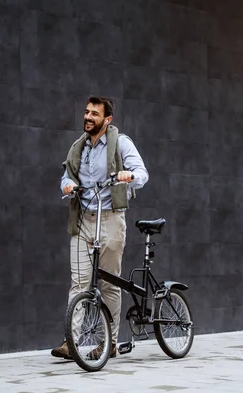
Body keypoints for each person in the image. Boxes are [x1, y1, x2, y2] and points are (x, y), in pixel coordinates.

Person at [51, 96, 149, 359]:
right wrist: (66, 185)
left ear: (107, 120)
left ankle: (110, 342)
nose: (88, 117)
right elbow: (67, 174)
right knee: (79, 282)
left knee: (108, 284)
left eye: (94, 114)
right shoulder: (78, 147)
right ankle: (71, 342)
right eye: (86, 112)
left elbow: (142, 173)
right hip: (83, 220)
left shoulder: (121, 143)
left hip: (111, 219)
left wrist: (129, 176)